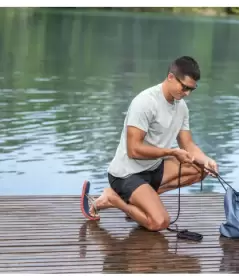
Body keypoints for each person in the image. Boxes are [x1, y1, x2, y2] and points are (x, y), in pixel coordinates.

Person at [80, 56, 218, 231]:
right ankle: (114, 199)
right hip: (127, 174)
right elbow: (133, 150)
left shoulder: (181, 107)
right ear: (170, 77)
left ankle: (138, 202)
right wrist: (171, 152)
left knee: (200, 168)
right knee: (159, 222)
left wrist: (207, 160)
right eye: (184, 87)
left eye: (192, 89)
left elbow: (188, 145)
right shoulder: (145, 102)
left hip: (153, 168)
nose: (187, 93)